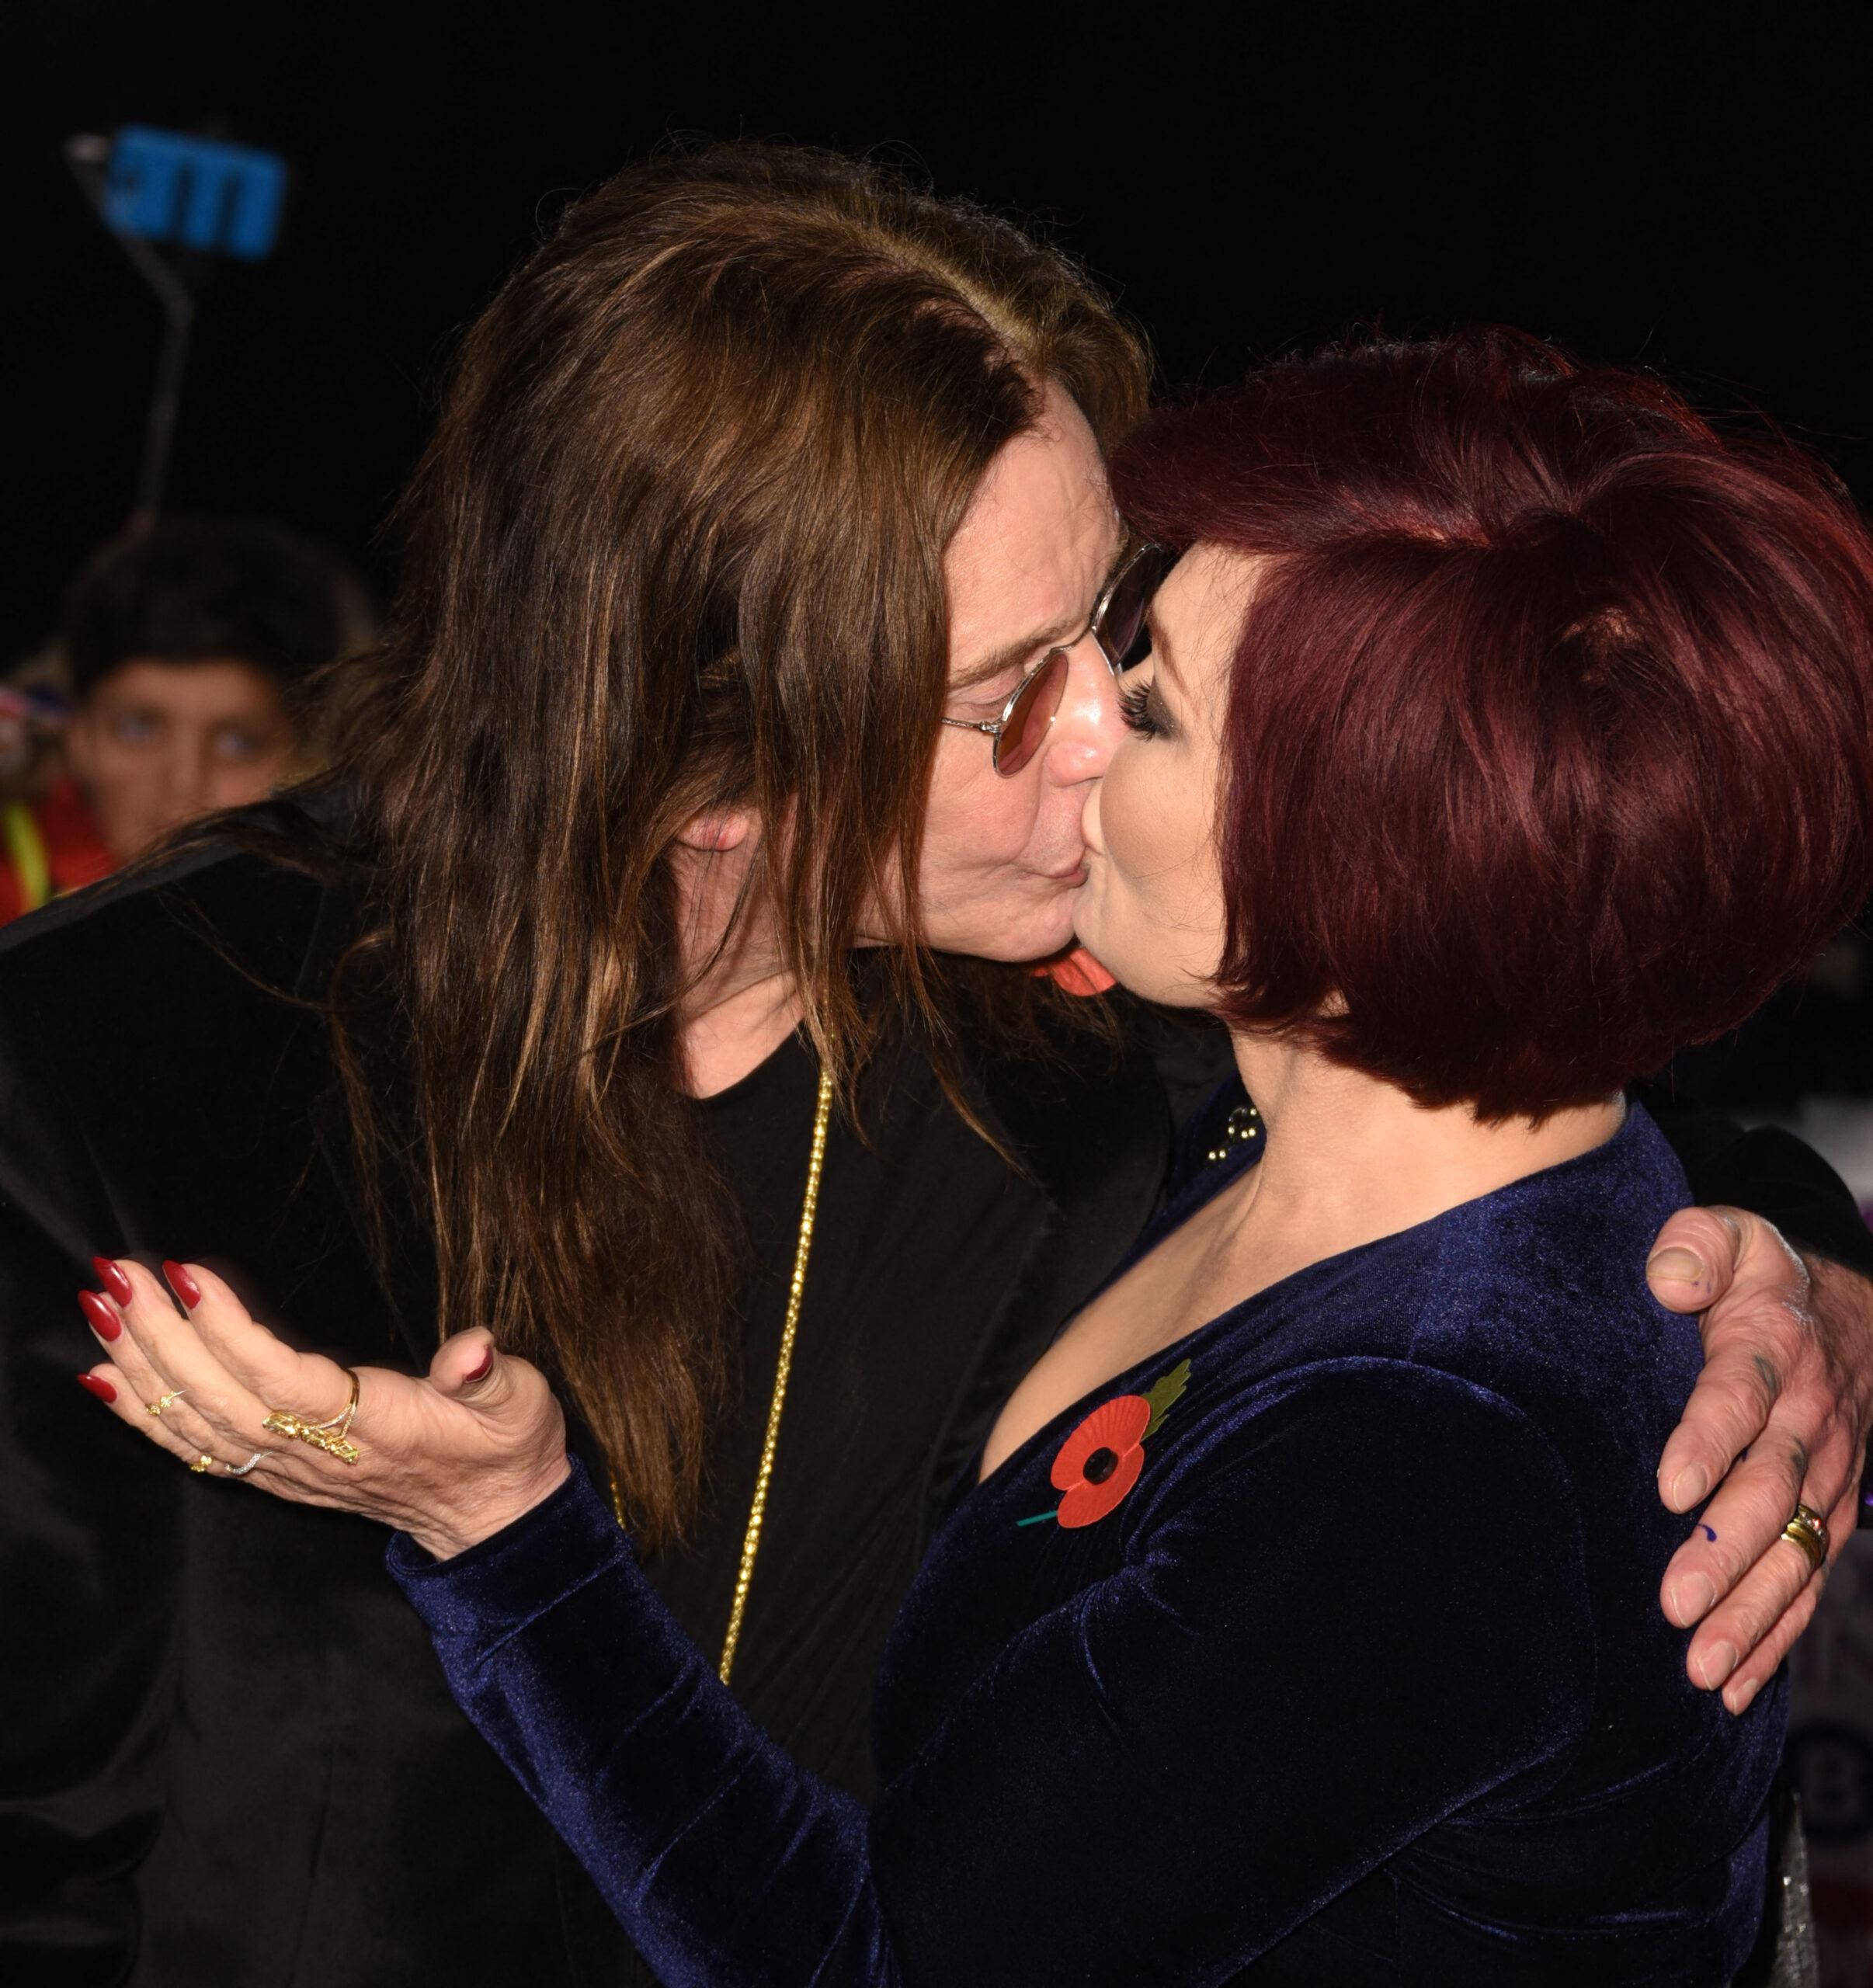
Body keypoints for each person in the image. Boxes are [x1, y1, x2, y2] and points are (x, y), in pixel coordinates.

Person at [7, 148, 1870, 1986]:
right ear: (716, 766)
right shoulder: (117, 1062)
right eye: (1017, 689)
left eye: (1114, 632)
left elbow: (1535, 1087)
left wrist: (1804, 1287)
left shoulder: (1128, 1008)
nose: (1097, 735)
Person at [0, 517, 369, 926]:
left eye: (239, 744)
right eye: (139, 730)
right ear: (77, 734)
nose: (184, 784)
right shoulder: (11, 878)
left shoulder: (362, 913)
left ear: (312, 756)